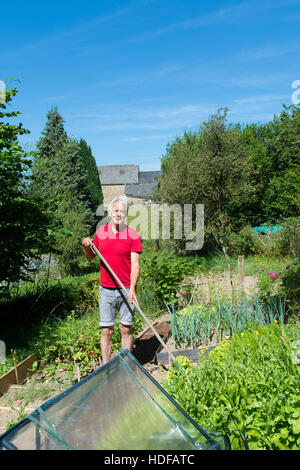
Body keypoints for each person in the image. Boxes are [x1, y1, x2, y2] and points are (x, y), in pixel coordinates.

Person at [82, 196, 142, 364]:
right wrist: (86, 246)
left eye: (122, 211)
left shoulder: (133, 235)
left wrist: (132, 288)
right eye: (115, 210)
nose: (118, 214)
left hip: (125, 289)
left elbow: (135, 264)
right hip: (106, 290)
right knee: (107, 331)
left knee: (126, 329)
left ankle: (126, 366)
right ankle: (105, 366)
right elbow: (90, 257)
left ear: (126, 214)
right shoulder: (101, 233)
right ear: (109, 212)